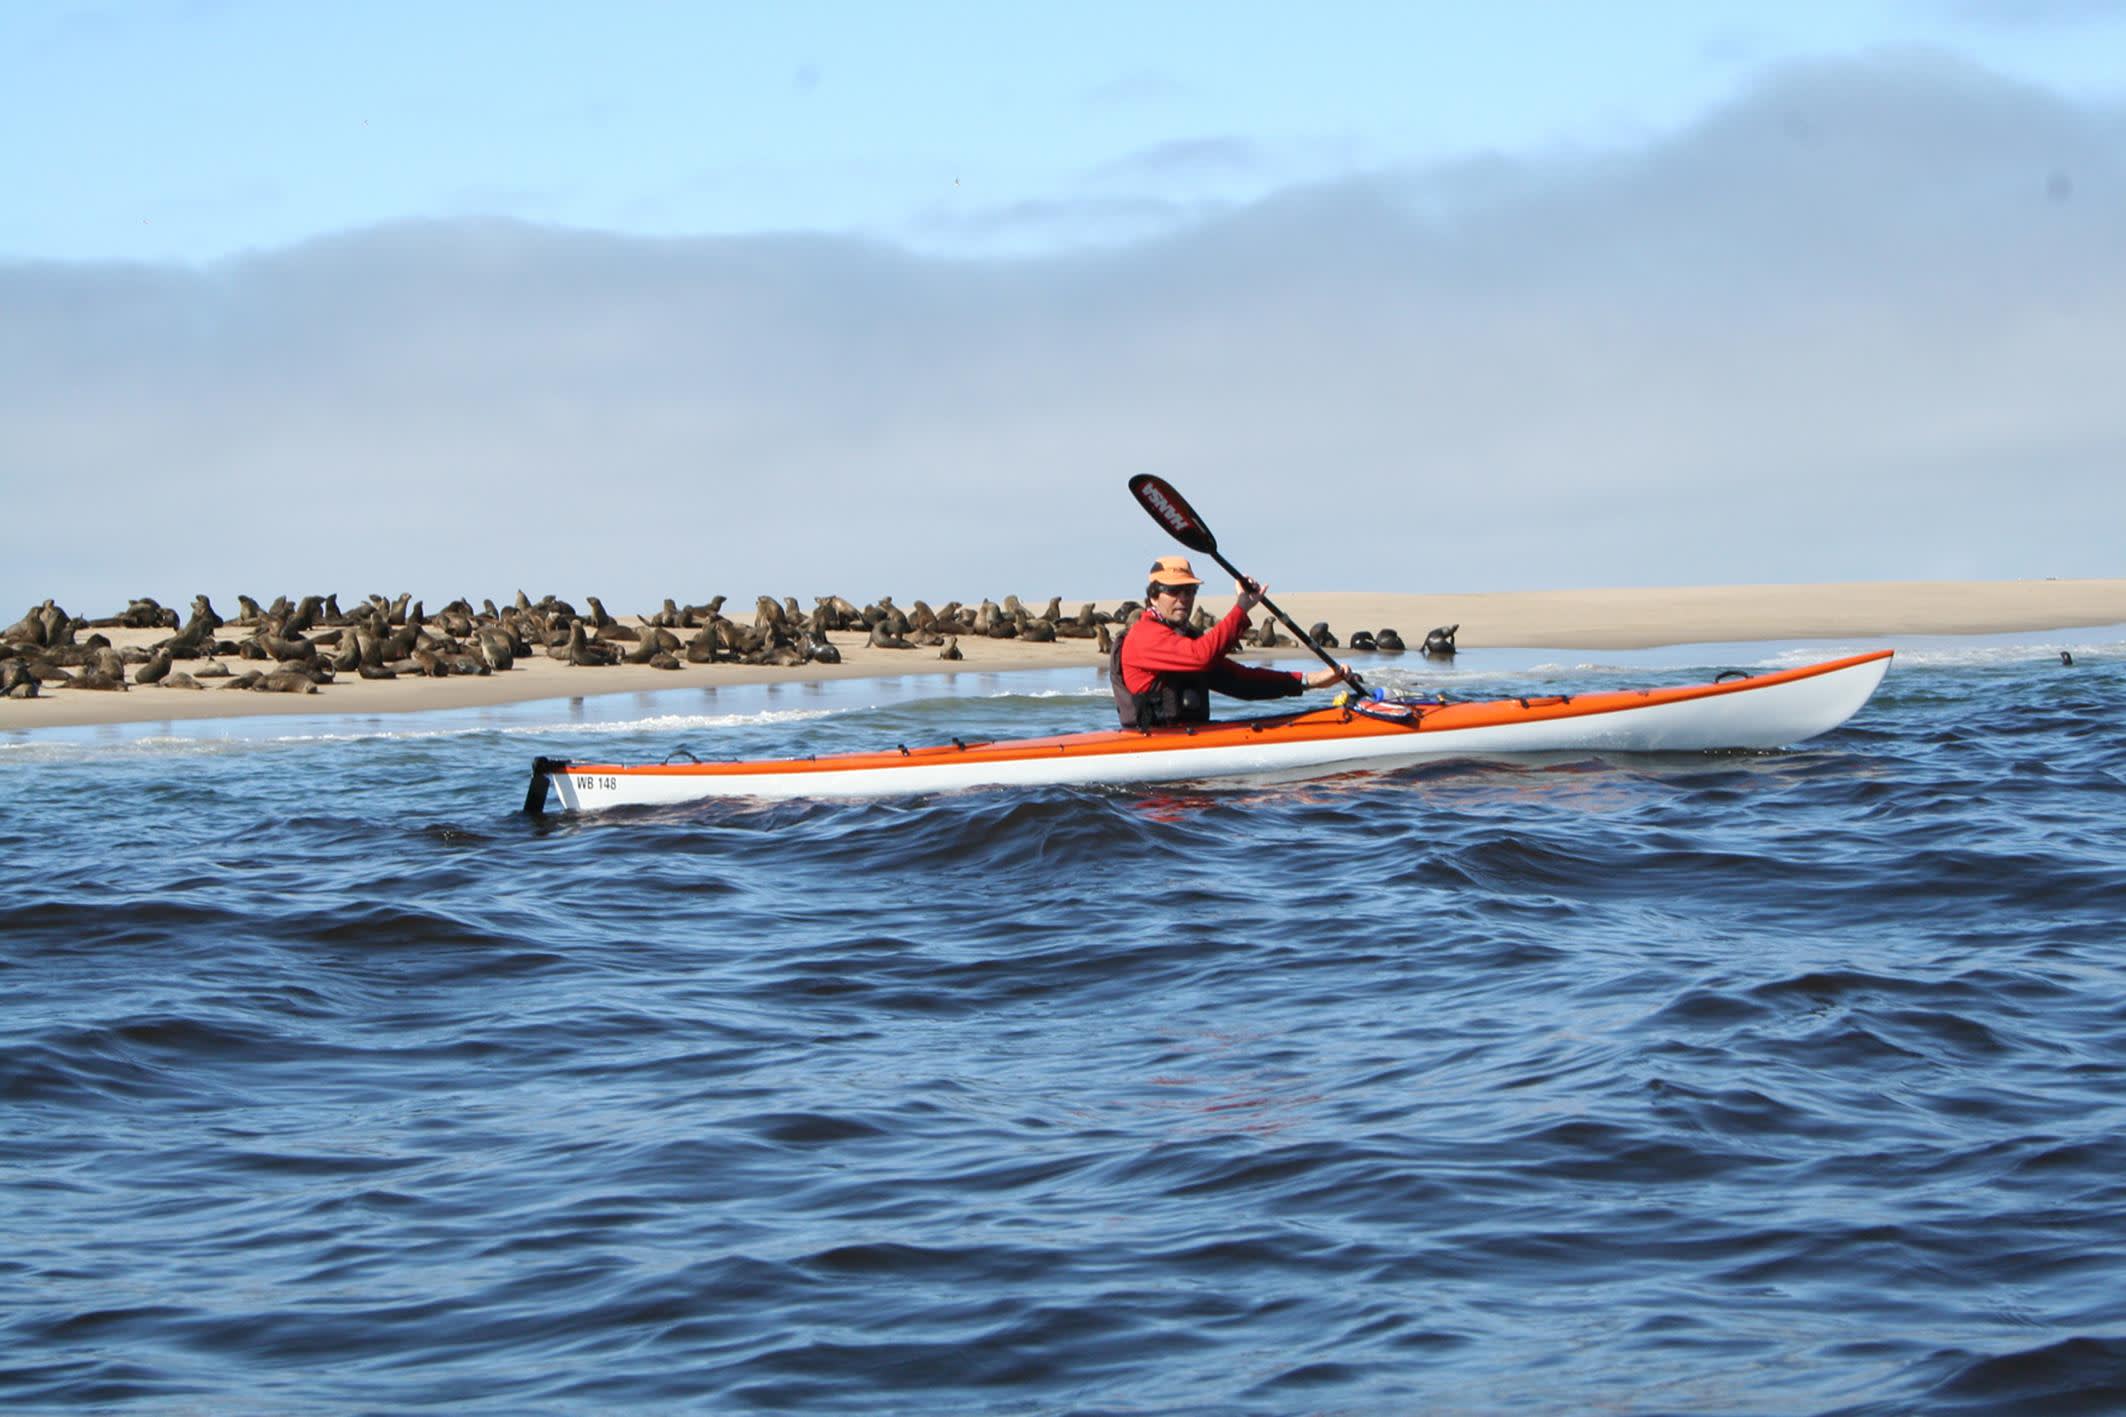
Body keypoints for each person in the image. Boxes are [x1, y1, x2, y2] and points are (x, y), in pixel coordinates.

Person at [1111, 555, 1349, 728]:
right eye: (1174, 591)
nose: (1184, 598)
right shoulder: (1145, 636)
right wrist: (1242, 608)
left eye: (1189, 591)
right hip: (1156, 749)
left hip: (1189, 739)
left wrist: (1310, 681)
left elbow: (1241, 682)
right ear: (1153, 596)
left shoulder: (1183, 638)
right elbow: (1200, 656)